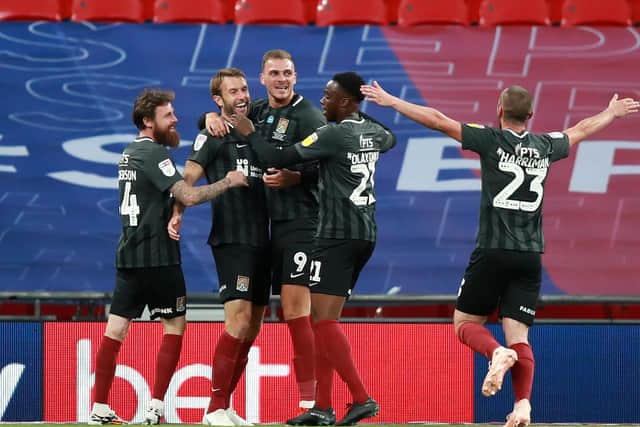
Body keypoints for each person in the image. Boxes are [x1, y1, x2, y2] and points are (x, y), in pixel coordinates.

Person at [360, 81, 640, 427]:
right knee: (519, 335)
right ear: (532, 116)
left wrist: (390, 101)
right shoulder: (545, 144)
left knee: (464, 324)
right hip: (529, 255)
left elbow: (436, 119)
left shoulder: (490, 139)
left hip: (493, 250)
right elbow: (581, 129)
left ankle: (496, 353)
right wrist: (611, 113)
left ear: (499, 111)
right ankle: (523, 405)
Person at [232, 71, 396, 426]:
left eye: (329, 96)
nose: (322, 101)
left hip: (335, 233)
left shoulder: (331, 133)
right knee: (324, 320)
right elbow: (391, 138)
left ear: (346, 102)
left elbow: (277, 155)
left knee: (323, 322)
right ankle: (322, 406)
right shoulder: (371, 132)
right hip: (364, 232)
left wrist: (249, 132)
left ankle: (362, 398)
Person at [89, 89, 247, 425]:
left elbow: (164, 184)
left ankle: (99, 408)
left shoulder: (129, 153)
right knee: (174, 327)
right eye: (168, 115)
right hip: (158, 256)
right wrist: (227, 181)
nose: (175, 119)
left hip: (128, 254)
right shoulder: (153, 154)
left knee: (115, 331)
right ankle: (156, 406)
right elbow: (187, 195)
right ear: (148, 121)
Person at [201, 49, 327, 417]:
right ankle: (221, 408)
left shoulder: (308, 115)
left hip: (303, 223)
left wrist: (297, 176)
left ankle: (310, 403)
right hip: (272, 230)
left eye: (287, 72)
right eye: (274, 73)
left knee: (295, 310)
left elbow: (331, 163)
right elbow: (228, 116)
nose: (282, 79)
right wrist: (208, 116)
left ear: (296, 75)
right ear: (263, 78)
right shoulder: (258, 110)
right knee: (265, 318)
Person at [168, 68, 270, 426]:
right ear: (218, 99)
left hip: (265, 241)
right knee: (237, 320)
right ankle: (213, 408)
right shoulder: (212, 136)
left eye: (244, 89)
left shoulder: (260, 123)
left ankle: (225, 406)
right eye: (233, 91)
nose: (241, 96)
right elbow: (187, 180)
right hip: (232, 238)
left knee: (253, 326)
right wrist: (177, 213)